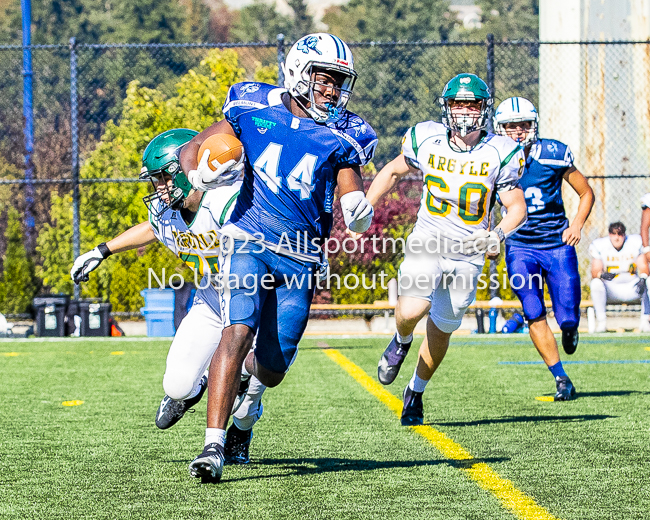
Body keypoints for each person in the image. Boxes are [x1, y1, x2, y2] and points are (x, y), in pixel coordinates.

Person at [179, 33, 377, 481]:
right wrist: (197, 172)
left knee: (271, 367)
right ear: (298, 71)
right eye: (324, 79)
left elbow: (349, 180)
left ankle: (247, 398)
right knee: (237, 329)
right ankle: (212, 446)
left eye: (339, 82)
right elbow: (198, 144)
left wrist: (356, 208)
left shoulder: (345, 131)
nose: (332, 90)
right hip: (247, 237)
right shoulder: (251, 104)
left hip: (301, 256)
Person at [70, 129, 266, 463]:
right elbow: (152, 228)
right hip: (210, 299)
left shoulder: (225, 201)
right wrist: (103, 250)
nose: (157, 189)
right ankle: (201, 386)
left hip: (253, 302)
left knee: (247, 392)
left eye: (162, 179)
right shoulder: (168, 211)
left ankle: (242, 428)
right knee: (176, 385)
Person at [366, 73, 527, 426]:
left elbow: (517, 207)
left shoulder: (500, 151)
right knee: (411, 309)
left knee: (442, 328)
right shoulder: (426, 139)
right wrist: (367, 203)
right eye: (458, 103)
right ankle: (401, 338)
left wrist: (497, 234)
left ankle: (415, 391)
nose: (465, 111)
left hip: (469, 252)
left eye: (472, 104)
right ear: (446, 107)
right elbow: (393, 171)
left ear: (484, 109)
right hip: (428, 238)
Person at [492, 96, 594, 401]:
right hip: (520, 246)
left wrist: (575, 225)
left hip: (555, 244)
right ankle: (561, 378)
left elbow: (586, 192)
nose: (518, 131)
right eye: (511, 126)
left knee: (567, 315)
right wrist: (490, 235)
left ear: (533, 126)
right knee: (533, 310)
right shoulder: (492, 158)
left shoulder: (553, 153)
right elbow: (481, 202)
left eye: (523, 125)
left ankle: (570, 328)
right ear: (500, 129)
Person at [589, 222, 650, 332]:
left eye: (620, 234)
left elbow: (644, 267)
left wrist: (643, 279)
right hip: (611, 288)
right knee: (596, 284)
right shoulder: (600, 245)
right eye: (614, 234)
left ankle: (645, 321)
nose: (617, 238)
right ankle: (602, 322)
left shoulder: (634, 243)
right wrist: (602, 275)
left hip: (633, 287)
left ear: (624, 235)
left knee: (648, 281)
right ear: (609, 234)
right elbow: (594, 272)